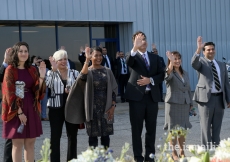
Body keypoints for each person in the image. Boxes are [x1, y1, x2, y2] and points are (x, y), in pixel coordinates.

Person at [1, 42, 46, 162]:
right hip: (15, 108)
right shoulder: (10, 69)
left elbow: (38, 92)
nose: (23, 53)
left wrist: (41, 77)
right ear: (16, 53)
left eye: (26, 51)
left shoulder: (32, 69)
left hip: (31, 107)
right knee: (17, 143)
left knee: (30, 143)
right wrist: (19, 112)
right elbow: (8, 93)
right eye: (21, 51)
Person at [65, 46, 118, 149]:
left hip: (106, 108)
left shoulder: (107, 71)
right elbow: (82, 77)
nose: (99, 58)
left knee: (105, 138)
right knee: (92, 138)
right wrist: (86, 60)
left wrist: (113, 106)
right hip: (91, 109)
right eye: (95, 55)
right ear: (91, 57)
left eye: (100, 55)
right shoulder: (88, 71)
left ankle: (105, 160)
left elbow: (114, 90)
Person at [124, 31, 165, 162]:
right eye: (139, 39)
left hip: (152, 98)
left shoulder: (155, 58)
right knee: (137, 129)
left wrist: (151, 80)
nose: (143, 41)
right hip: (137, 99)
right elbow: (129, 61)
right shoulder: (132, 56)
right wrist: (134, 48)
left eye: (144, 39)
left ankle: (150, 156)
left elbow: (162, 74)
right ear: (134, 42)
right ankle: (138, 157)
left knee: (151, 128)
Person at [191, 36, 230, 149]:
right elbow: (193, 63)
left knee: (217, 127)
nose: (211, 51)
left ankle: (216, 150)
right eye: (208, 49)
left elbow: (226, 83)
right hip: (205, 100)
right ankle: (207, 151)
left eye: (212, 49)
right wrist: (198, 49)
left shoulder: (221, 64)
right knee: (206, 127)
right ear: (204, 52)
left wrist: (228, 99)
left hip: (219, 99)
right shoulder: (201, 63)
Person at [46, 50, 79, 162]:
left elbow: (80, 89)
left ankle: (72, 159)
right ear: (55, 61)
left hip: (71, 108)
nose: (63, 61)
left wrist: (72, 91)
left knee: (72, 136)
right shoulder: (51, 73)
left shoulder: (75, 73)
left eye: (65, 59)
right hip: (55, 109)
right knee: (55, 137)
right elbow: (48, 86)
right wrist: (54, 70)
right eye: (60, 59)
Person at [164, 51, 193, 160]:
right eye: (174, 59)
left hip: (184, 104)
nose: (177, 61)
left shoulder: (185, 73)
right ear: (171, 60)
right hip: (173, 104)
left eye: (178, 58)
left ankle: (182, 150)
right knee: (173, 130)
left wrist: (190, 103)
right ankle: (173, 152)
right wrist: (171, 64)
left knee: (182, 129)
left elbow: (189, 88)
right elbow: (167, 77)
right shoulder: (169, 71)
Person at [0, 48, 13, 162]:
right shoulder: (7, 68)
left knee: (27, 136)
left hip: (24, 105)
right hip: (9, 106)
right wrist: (5, 60)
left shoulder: (24, 68)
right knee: (10, 136)